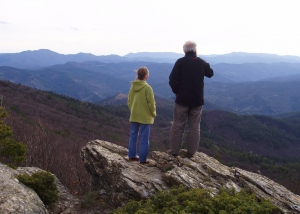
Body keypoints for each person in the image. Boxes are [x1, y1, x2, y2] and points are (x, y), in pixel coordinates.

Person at [169, 41, 214, 158]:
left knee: (178, 125)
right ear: (195, 50)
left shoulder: (180, 62)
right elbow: (210, 73)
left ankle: (174, 151)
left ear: (185, 51)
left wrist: (177, 91)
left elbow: (172, 79)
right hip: (197, 100)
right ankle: (191, 153)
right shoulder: (201, 62)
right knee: (194, 126)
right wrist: (204, 62)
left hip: (182, 99)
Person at [127, 66, 156, 164]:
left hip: (134, 115)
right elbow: (151, 104)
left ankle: (131, 156)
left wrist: (133, 110)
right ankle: (142, 160)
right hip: (145, 117)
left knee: (133, 136)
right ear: (146, 75)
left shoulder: (132, 87)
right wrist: (153, 113)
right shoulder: (147, 88)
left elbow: (129, 101)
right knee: (144, 138)